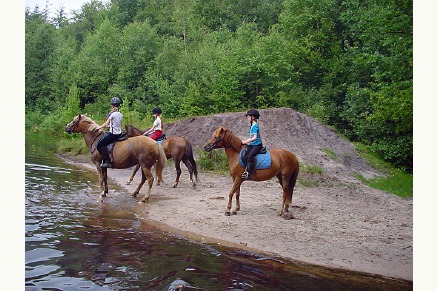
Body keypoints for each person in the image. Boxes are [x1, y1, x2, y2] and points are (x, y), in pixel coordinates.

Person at [96, 97, 123, 168]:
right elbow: (115, 125)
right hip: (119, 133)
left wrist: (100, 127)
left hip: (113, 134)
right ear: (119, 105)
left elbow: (106, 123)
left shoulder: (112, 114)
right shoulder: (120, 114)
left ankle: (107, 161)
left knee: (100, 144)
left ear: (112, 105)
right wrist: (107, 126)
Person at [241, 109, 263, 180]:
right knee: (245, 153)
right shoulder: (252, 125)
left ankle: (249, 172)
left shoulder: (255, 126)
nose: (247, 118)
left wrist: (245, 141)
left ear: (252, 117)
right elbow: (251, 137)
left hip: (257, 145)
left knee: (250, 156)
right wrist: (247, 141)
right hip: (252, 144)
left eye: (248, 117)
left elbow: (254, 137)